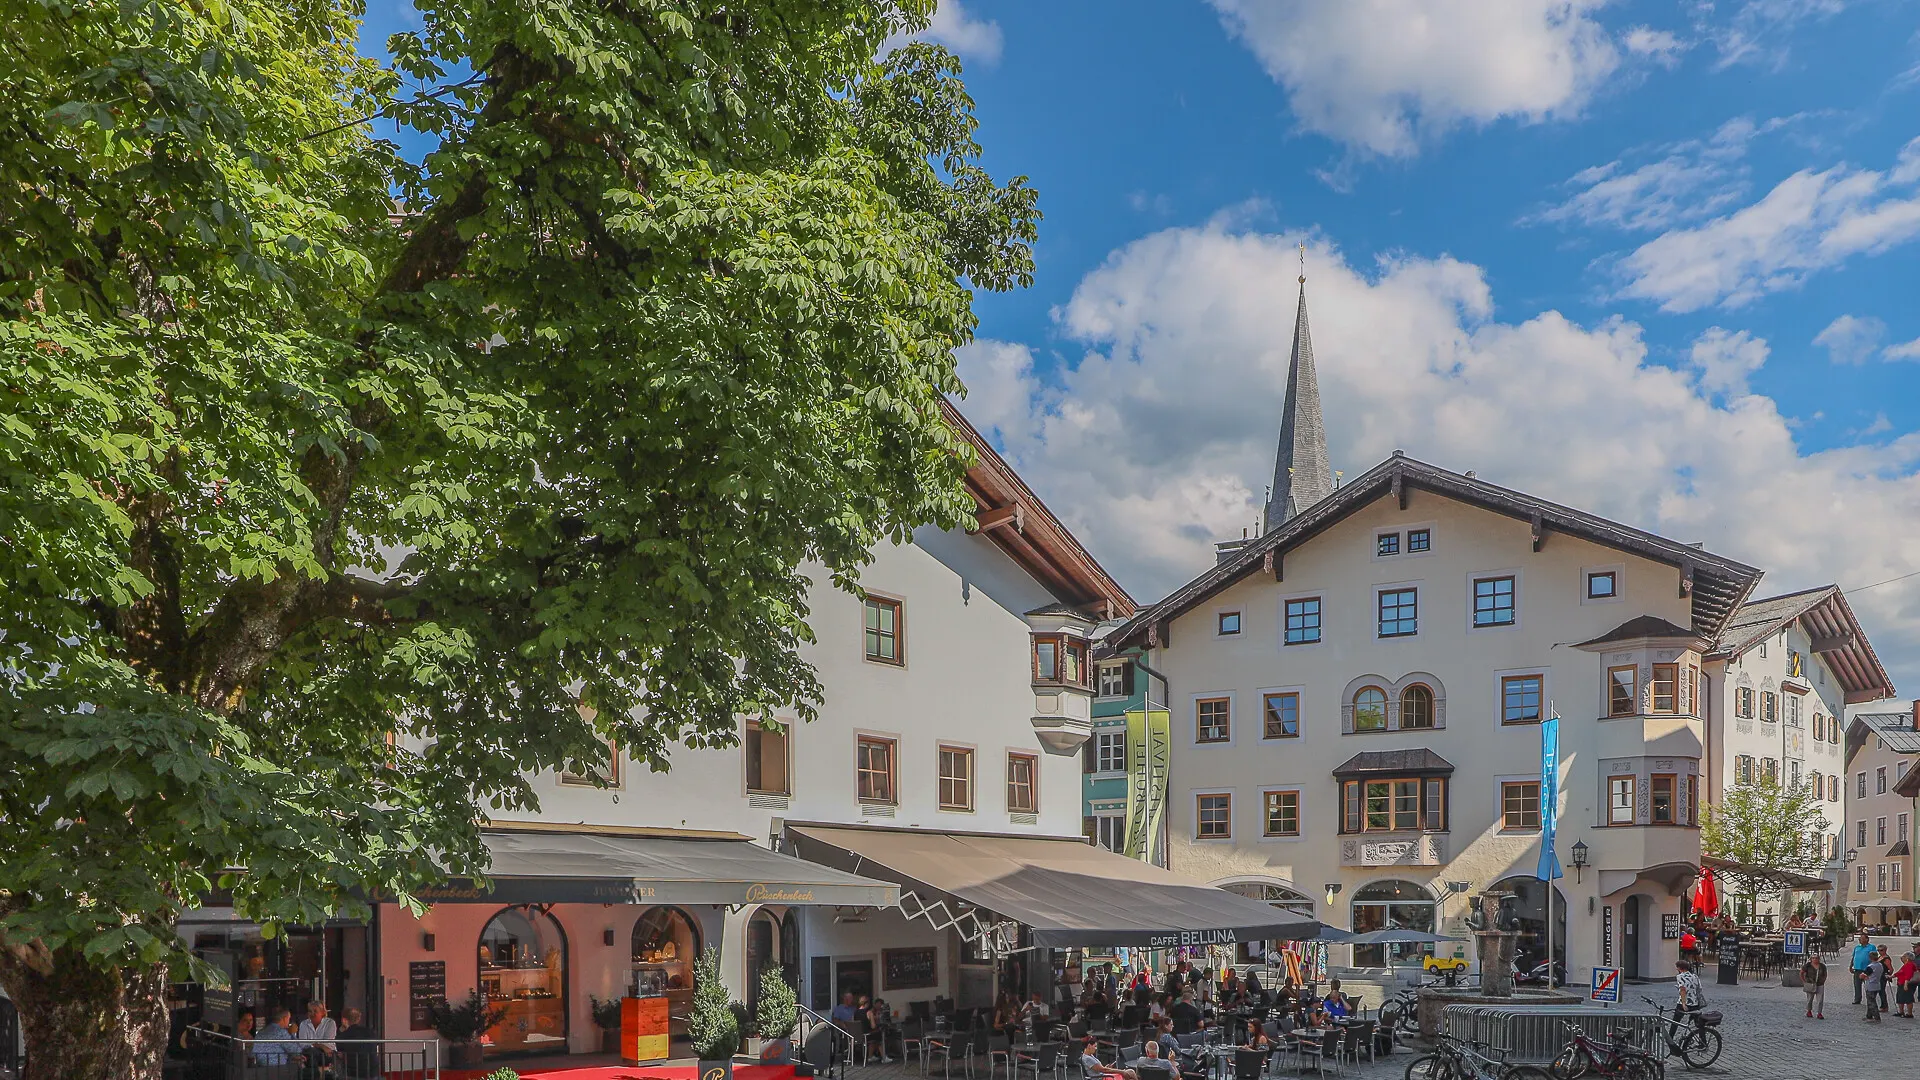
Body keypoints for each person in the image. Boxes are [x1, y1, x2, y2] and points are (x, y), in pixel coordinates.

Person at [337, 1007, 382, 1080]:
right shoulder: (370, 1032)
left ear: (344, 1020)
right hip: (373, 1071)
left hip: (353, 1073)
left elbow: (340, 1053)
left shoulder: (343, 1035)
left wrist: (340, 1031)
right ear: (358, 1019)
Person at [297, 999, 338, 1072]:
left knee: (311, 1054)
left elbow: (327, 1042)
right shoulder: (303, 1024)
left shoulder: (330, 1023)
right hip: (310, 1054)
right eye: (310, 1011)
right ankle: (319, 1072)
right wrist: (319, 1045)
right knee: (311, 1053)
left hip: (328, 1053)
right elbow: (302, 1043)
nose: (312, 1013)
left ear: (322, 1012)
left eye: (315, 1011)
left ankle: (316, 1073)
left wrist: (314, 1044)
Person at [1851, 932, 1875, 1005]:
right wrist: (1850, 966)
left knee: (1868, 985)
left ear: (1867, 939)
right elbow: (1853, 957)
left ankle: (1870, 999)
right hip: (1857, 969)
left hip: (1867, 969)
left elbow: (1874, 957)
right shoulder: (1857, 947)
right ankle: (1857, 999)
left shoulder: (1871, 947)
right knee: (1857, 985)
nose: (1859, 940)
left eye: (1861, 938)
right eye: (1859, 938)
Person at [1802, 954, 1828, 1020]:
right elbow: (1801, 973)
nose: (1815, 959)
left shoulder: (1822, 966)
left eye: (1816, 958)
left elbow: (1825, 974)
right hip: (1810, 984)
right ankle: (1809, 1011)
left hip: (1820, 984)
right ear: (1811, 959)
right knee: (1810, 999)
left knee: (1820, 1000)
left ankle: (1819, 1013)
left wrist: (1823, 980)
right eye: (1813, 958)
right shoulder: (1807, 966)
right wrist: (1804, 981)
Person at [1864, 951, 1887, 1022]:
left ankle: (1877, 1017)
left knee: (1871, 1002)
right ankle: (1869, 1016)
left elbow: (1864, 975)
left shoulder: (1870, 966)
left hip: (1870, 985)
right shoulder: (1880, 965)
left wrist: (1862, 976)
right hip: (1877, 984)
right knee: (1870, 1001)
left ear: (1870, 958)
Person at [1896, 951, 1917, 1019]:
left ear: (1907, 958)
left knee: (1908, 998)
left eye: (1904, 956)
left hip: (1905, 984)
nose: (1902, 957)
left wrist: (1906, 984)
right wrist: (1892, 976)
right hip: (1902, 983)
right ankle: (1901, 1011)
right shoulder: (1907, 964)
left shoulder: (1909, 965)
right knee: (1900, 997)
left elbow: (1908, 975)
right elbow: (1900, 972)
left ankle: (1909, 1013)